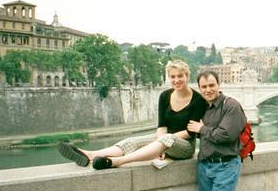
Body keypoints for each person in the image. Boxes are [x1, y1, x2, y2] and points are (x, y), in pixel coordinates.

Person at [58, 60, 207, 170]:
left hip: (185, 146)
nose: (176, 80)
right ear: (168, 77)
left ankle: (118, 161)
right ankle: (90, 154)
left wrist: (162, 144)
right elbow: (162, 126)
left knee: (167, 139)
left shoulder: (199, 100)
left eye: (180, 76)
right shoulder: (164, 96)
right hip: (163, 139)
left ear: (187, 76)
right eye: (172, 77)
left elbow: (189, 132)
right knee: (132, 141)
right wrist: (160, 143)